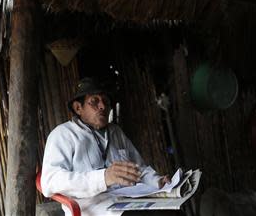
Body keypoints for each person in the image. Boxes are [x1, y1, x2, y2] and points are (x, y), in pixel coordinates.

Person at [41, 77, 172, 216]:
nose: (102, 106)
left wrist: (157, 181)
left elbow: (137, 168)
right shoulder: (63, 135)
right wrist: (103, 177)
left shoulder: (116, 132)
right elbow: (50, 181)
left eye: (106, 101)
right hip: (92, 210)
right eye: (94, 101)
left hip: (127, 203)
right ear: (78, 108)